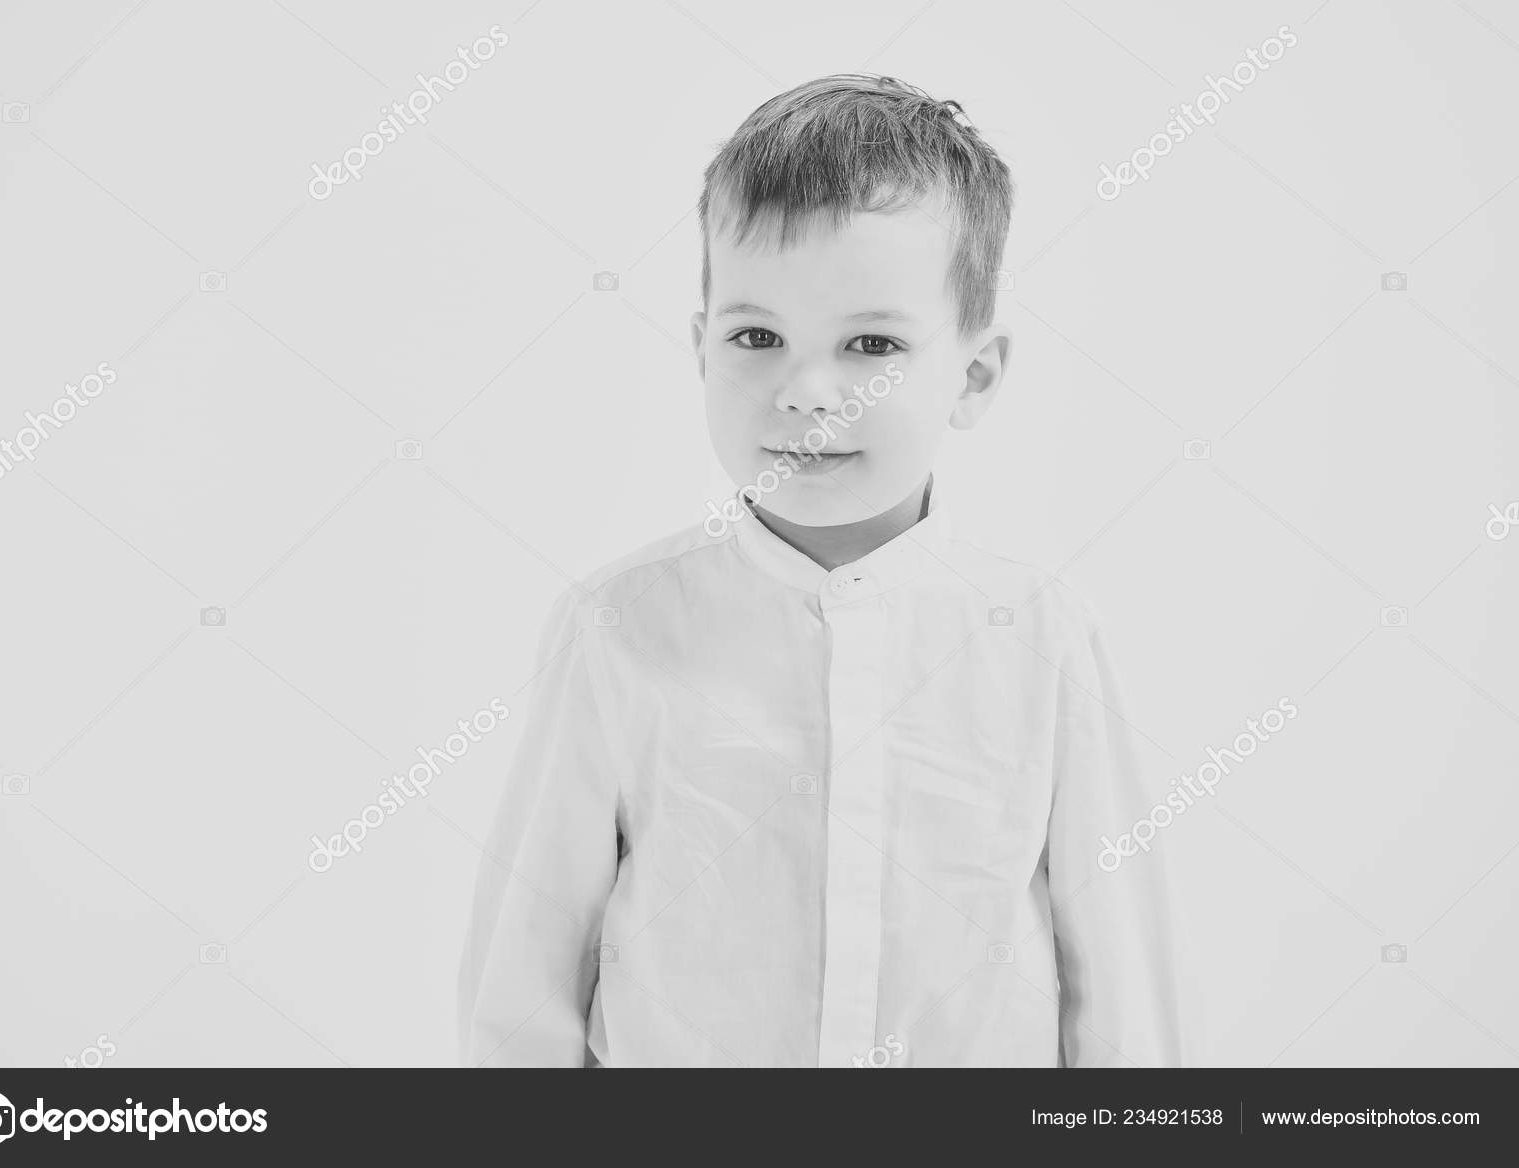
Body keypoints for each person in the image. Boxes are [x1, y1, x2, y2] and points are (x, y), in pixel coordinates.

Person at [459, 74, 1184, 1067]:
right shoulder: (617, 628)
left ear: (972, 375)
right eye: (756, 336)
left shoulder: (1041, 634)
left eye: (871, 345)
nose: (808, 391)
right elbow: (528, 976)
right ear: (700, 350)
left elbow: (1116, 985)